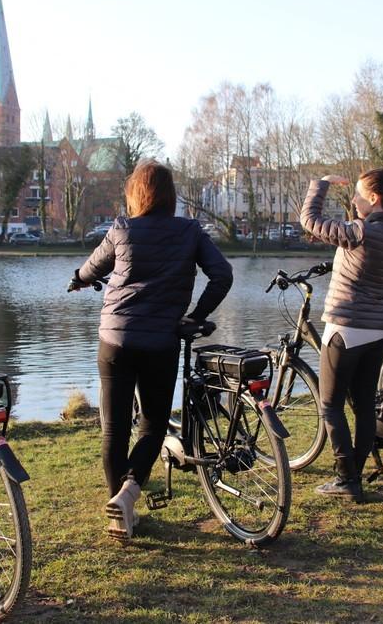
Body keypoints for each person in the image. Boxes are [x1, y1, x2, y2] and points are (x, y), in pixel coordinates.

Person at [71, 160, 232, 540]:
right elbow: (222, 275)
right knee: (153, 425)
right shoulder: (190, 231)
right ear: (170, 196)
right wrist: (196, 315)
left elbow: (92, 268)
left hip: (115, 341)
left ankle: (119, 511)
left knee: (113, 429)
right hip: (161, 341)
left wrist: (77, 280)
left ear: (135, 194)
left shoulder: (122, 229)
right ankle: (129, 494)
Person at [300, 169, 383, 502]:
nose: (353, 201)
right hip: (377, 330)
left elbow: (309, 219)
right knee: (362, 406)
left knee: (330, 405)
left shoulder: (361, 231)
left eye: (358, 195)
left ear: (373, 199)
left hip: (345, 327)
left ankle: (346, 480)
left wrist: (322, 184)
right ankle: (355, 475)